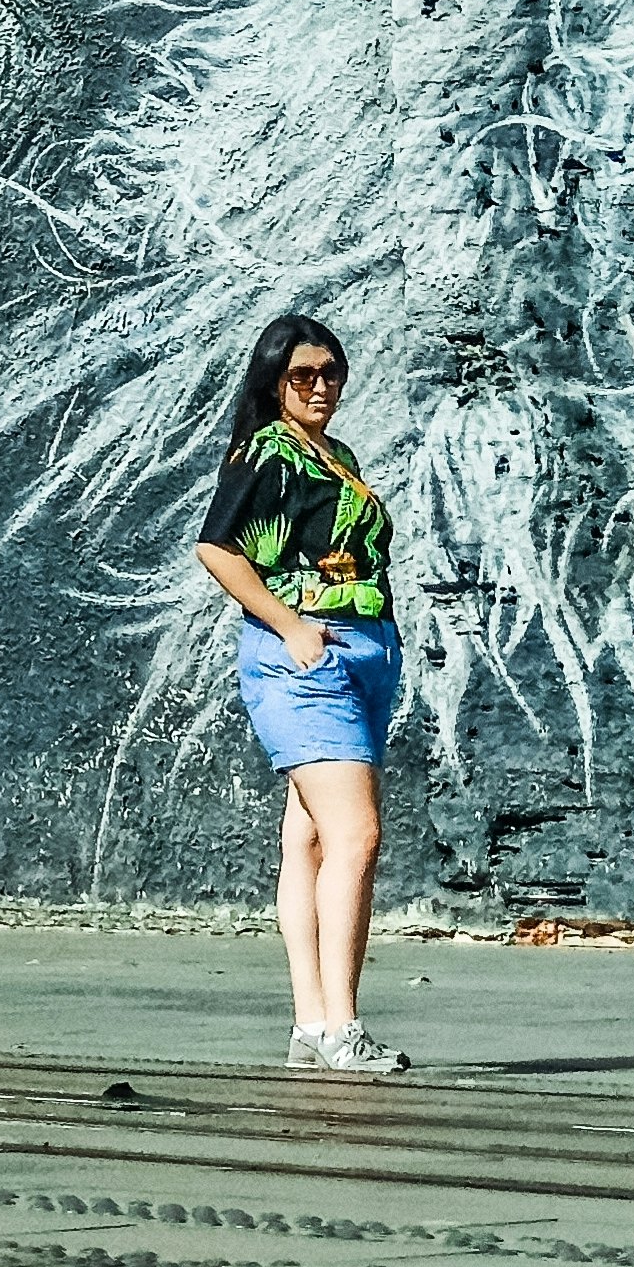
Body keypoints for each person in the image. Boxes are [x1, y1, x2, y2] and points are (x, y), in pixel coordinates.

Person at [193, 308, 408, 1071]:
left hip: (360, 655)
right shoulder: (267, 453)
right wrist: (291, 626)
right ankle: (343, 1027)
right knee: (357, 836)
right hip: (308, 660)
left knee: (310, 839)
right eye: (303, 376)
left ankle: (313, 1027)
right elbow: (216, 546)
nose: (320, 387)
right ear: (274, 382)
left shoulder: (333, 453)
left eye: (331, 373)